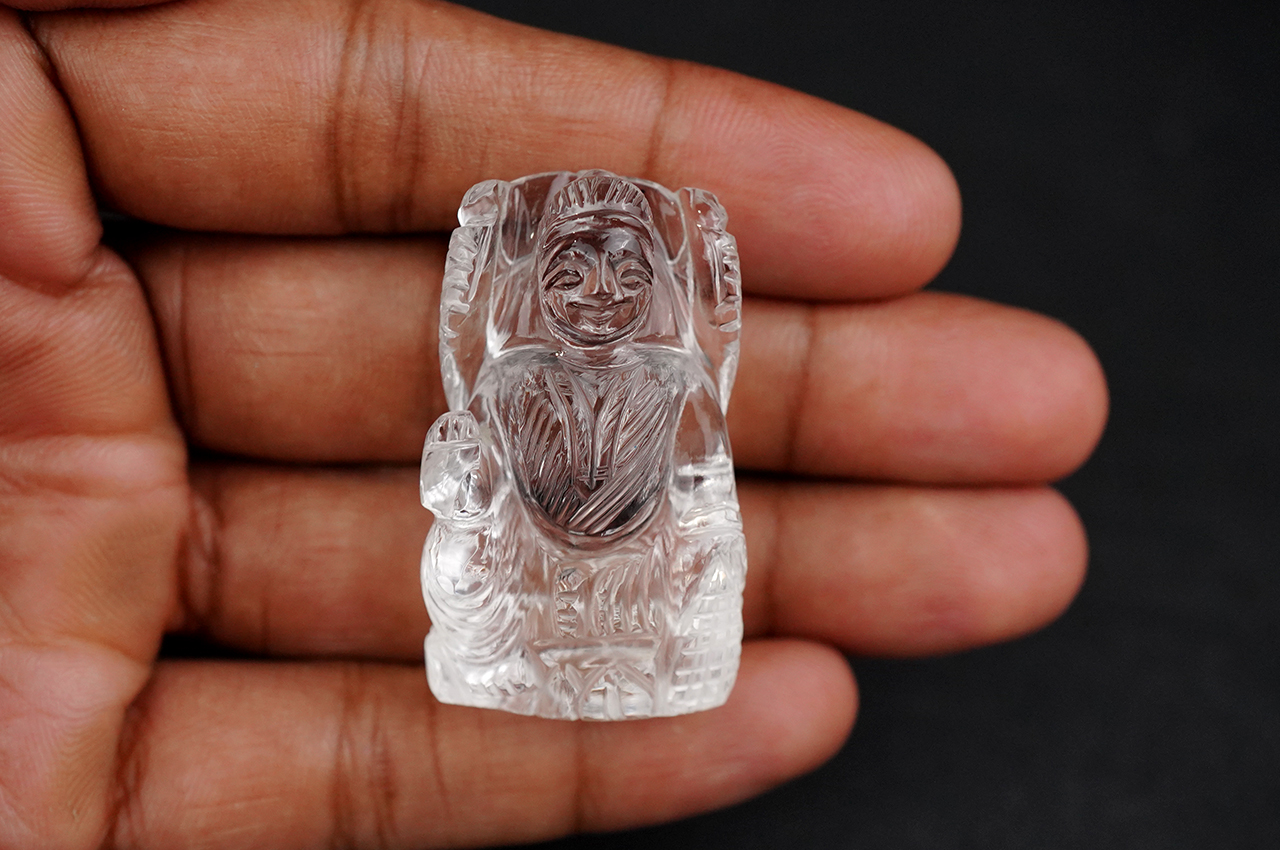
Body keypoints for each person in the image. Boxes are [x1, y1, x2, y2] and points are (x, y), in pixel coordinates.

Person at [0, 1, 1108, 848]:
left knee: (691, 562)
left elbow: (693, 495)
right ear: (536, 286)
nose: (597, 294)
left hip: (636, 597)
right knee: (476, 563)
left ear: (659, 290)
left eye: (626, 272)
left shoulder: (678, 381)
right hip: (528, 593)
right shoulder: (507, 376)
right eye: (570, 270)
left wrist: (686, 534)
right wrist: (467, 480)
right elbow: (480, 471)